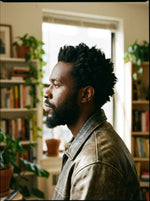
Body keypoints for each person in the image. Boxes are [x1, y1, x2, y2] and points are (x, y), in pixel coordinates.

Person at [43, 43, 140, 200]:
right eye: (49, 84)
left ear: (86, 94)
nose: (47, 92)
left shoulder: (96, 163)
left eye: (56, 84)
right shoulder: (86, 143)